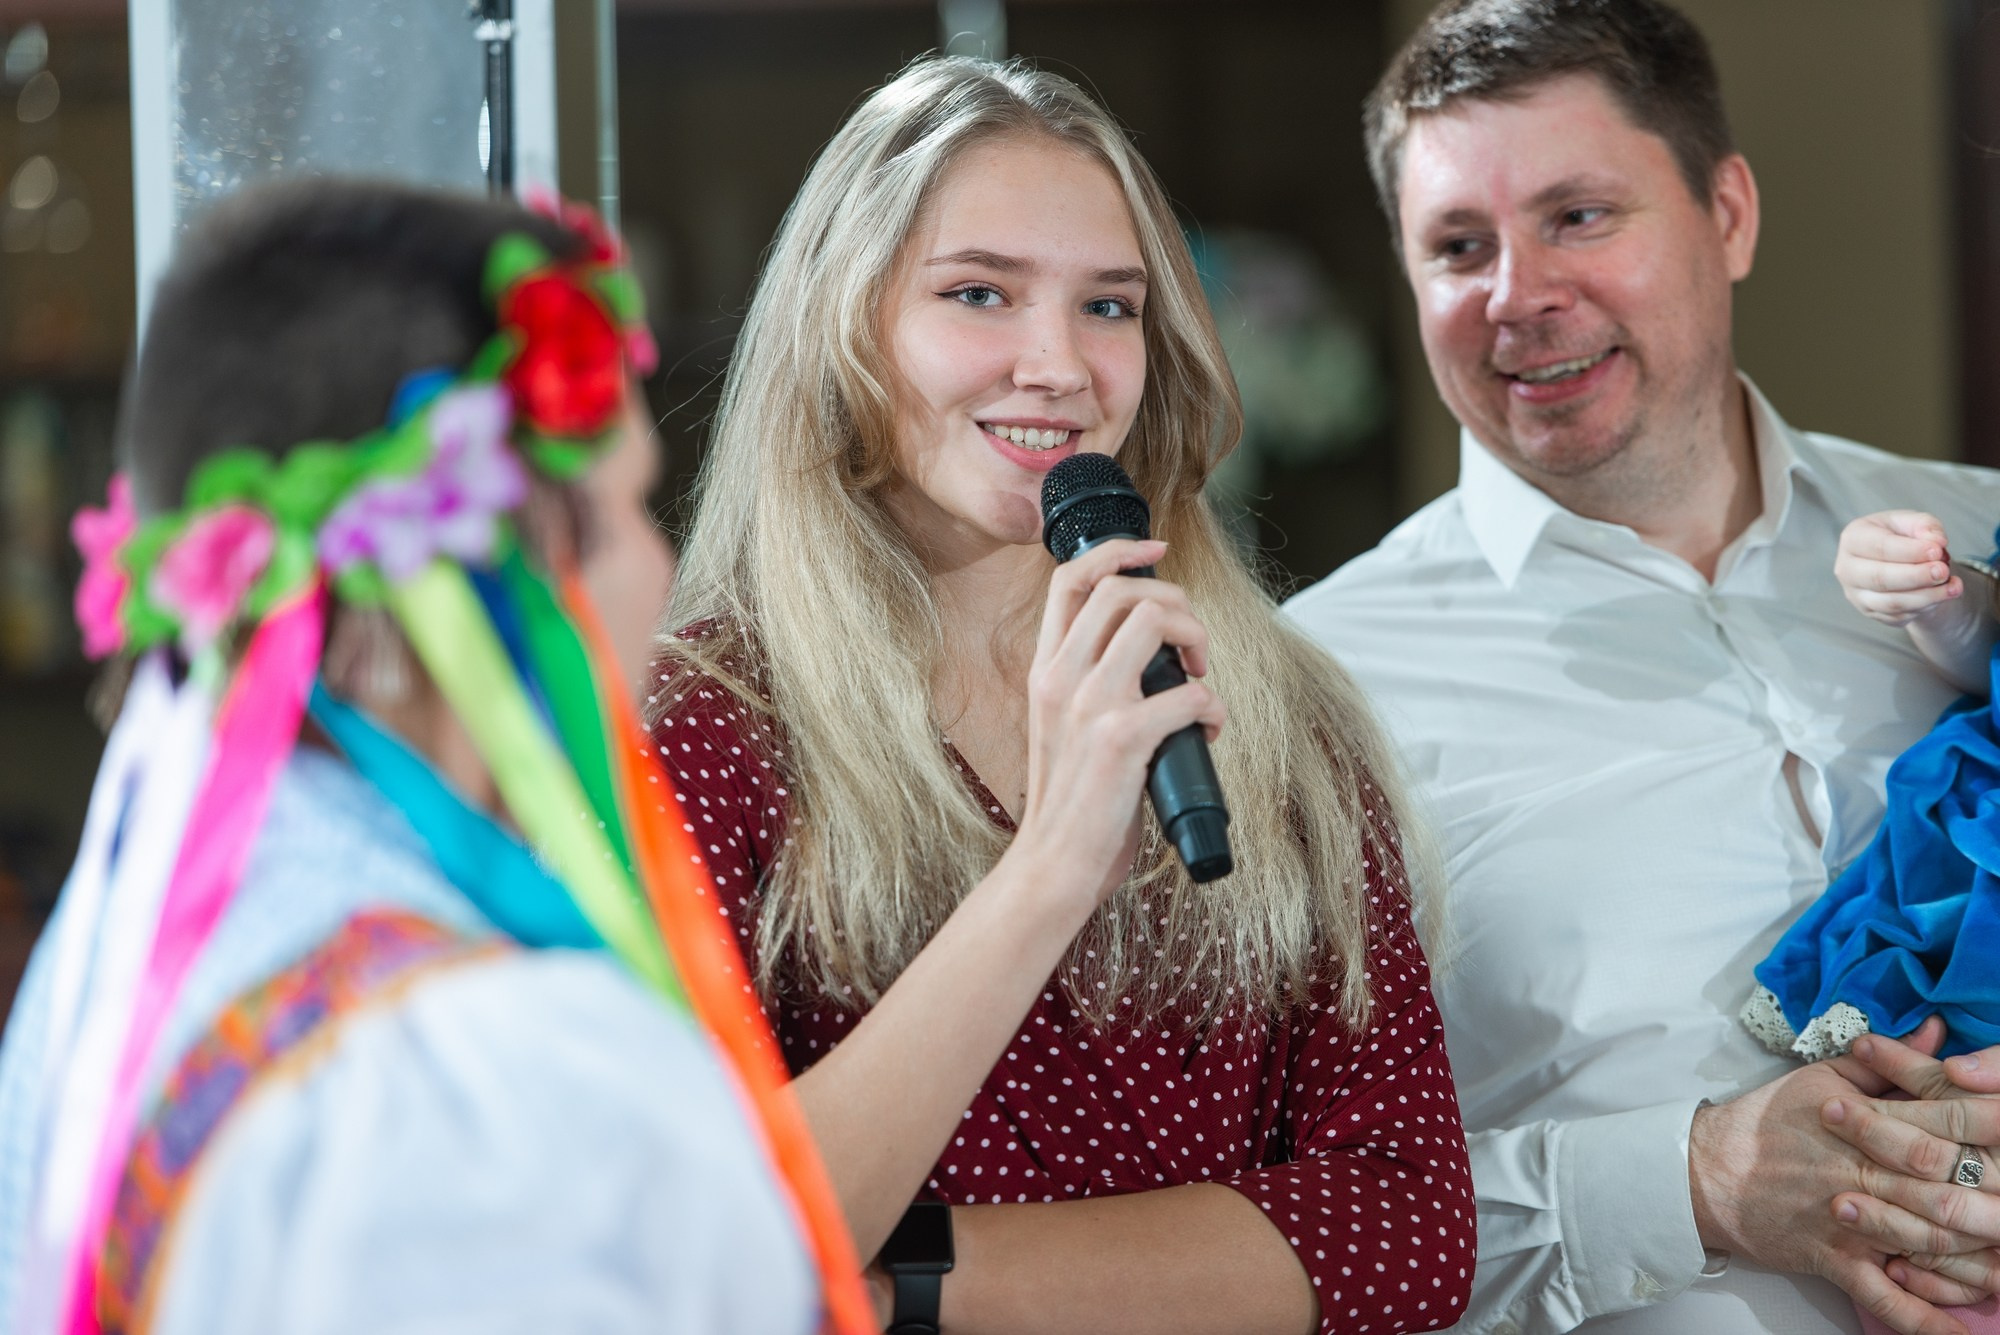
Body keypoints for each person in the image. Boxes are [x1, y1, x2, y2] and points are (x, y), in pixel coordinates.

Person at [647, 55, 1476, 1335]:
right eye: (977, 293)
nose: (1058, 365)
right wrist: (1047, 870)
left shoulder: (1275, 712)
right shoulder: (699, 725)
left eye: (1106, 306)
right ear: (842, 324)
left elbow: (1407, 1232)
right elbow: (693, 1244)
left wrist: (902, 1282)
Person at [0, 181, 858, 1335]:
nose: (661, 572)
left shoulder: (121, 958)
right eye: (627, 509)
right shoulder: (476, 1080)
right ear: (464, 578)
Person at [1283, 3, 2000, 1334]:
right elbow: (1283, 1224)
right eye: (1457, 246)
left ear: (1727, 215)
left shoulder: (1980, 540)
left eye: (1579, 215)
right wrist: (1692, 1183)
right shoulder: (1308, 693)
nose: (1517, 295)